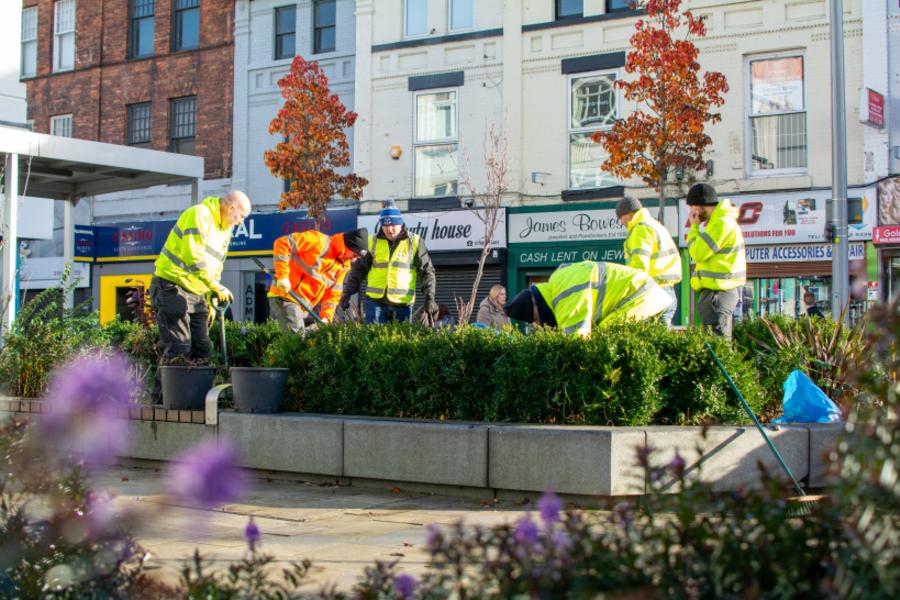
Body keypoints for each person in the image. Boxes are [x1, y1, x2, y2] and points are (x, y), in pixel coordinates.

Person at [150, 191, 252, 400]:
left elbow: (216, 268)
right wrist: (216, 286)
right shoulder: (199, 215)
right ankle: (162, 402)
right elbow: (192, 257)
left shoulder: (225, 232)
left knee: (202, 348)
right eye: (241, 216)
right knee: (179, 346)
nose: (241, 222)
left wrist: (209, 300)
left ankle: (193, 400)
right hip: (172, 285)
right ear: (231, 209)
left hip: (197, 292)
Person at [503, 261, 672, 337]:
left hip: (646, 299)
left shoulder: (565, 298)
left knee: (606, 339)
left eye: (534, 318)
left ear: (536, 306)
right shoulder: (559, 284)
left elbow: (578, 342)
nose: (538, 323)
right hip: (649, 296)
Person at [340, 200, 437, 324]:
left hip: (402, 303)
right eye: (385, 226)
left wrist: (430, 298)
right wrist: (347, 293)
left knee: (400, 341)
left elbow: (427, 271)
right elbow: (359, 270)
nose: (389, 229)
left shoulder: (415, 242)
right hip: (375, 302)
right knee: (373, 339)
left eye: (393, 225)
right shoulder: (372, 241)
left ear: (401, 223)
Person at [267, 227, 369, 333]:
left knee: (310, 337)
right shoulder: (318, 241)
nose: (355, 258)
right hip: (287, 296)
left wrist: (326, 318)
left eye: (358, 257)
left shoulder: (343, 266)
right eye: (355, 254)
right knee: (297, 339)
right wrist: (283, 276)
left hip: (305, 307)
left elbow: (333, 295)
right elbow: (282, 243)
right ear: (348, 246)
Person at [685, 183, 746, 340]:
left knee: (717, 343)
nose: (691, 212)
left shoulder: (721, 223)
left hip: (717, 293)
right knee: (717, 340)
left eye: (692, 207)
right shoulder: (720, 221)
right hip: (718, 292)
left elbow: (698, 254)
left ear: (700, 206)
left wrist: (694, 229)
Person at [615, 196, 682, 327]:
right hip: (668, 291)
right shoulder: (655, 225)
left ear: (629, 214)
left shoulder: (640, 229)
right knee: (661, 339)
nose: (622, 223)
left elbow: (639, 265)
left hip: (652, 290)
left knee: (645, 336)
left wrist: (630, 291)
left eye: (621, 218)